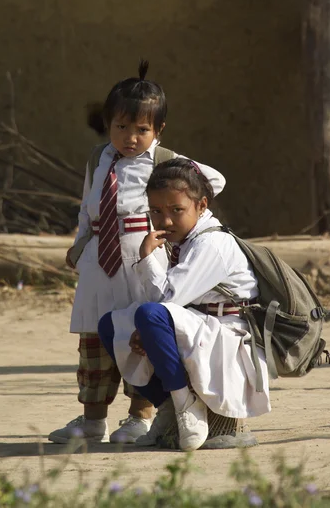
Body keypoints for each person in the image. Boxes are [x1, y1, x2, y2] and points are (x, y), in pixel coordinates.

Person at [48, 63, 226, 445]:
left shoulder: (165, 161)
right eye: (121, 127)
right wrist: (80, 247)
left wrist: (176, 223)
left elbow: (214, 181)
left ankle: (140, 418)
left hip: (142, 257)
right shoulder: (99, 159)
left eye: (141, 129)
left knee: (136, 336)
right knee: (94, 341)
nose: (130, 137)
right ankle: (92, 420)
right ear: (108, 124)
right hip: (99, 260)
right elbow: (86, 207)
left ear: (158, 130)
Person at [98, 158, 271, 451]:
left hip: (226, 337)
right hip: (198, 327)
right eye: (156, 211)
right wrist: (144, 328)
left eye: (177, 210)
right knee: (111, 326)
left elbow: (167, 298)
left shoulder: (212, 244)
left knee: (148, 314)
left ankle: (186, 406)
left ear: (202, 206)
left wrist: (145, 258)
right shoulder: (186, 240)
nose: (165, 220)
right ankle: (167, 405)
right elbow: (168, 304)